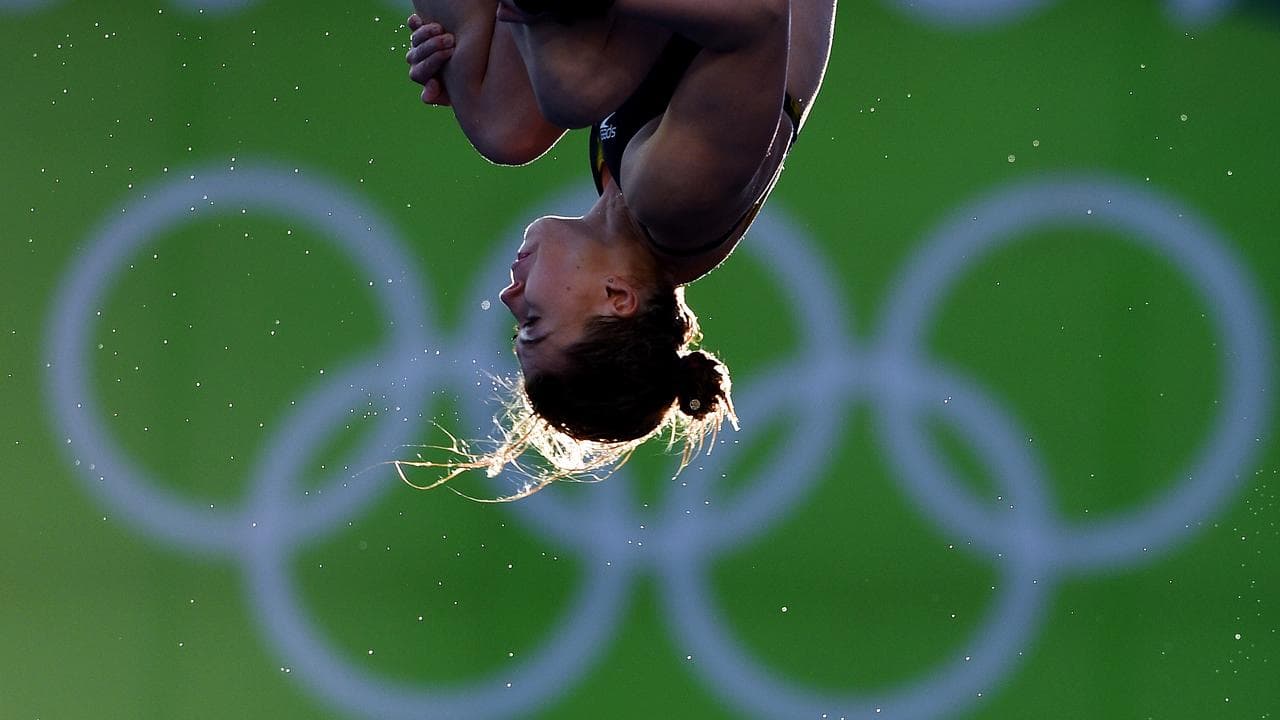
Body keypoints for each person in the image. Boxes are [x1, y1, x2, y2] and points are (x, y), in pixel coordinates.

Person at [399, 0, 837, 496]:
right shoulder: (677, 199)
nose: (509, 298)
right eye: (533, 322)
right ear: (618, 299)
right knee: (571, 88)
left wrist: (463, 66)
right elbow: (762, 18)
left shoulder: (631, 208)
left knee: (500, 123)